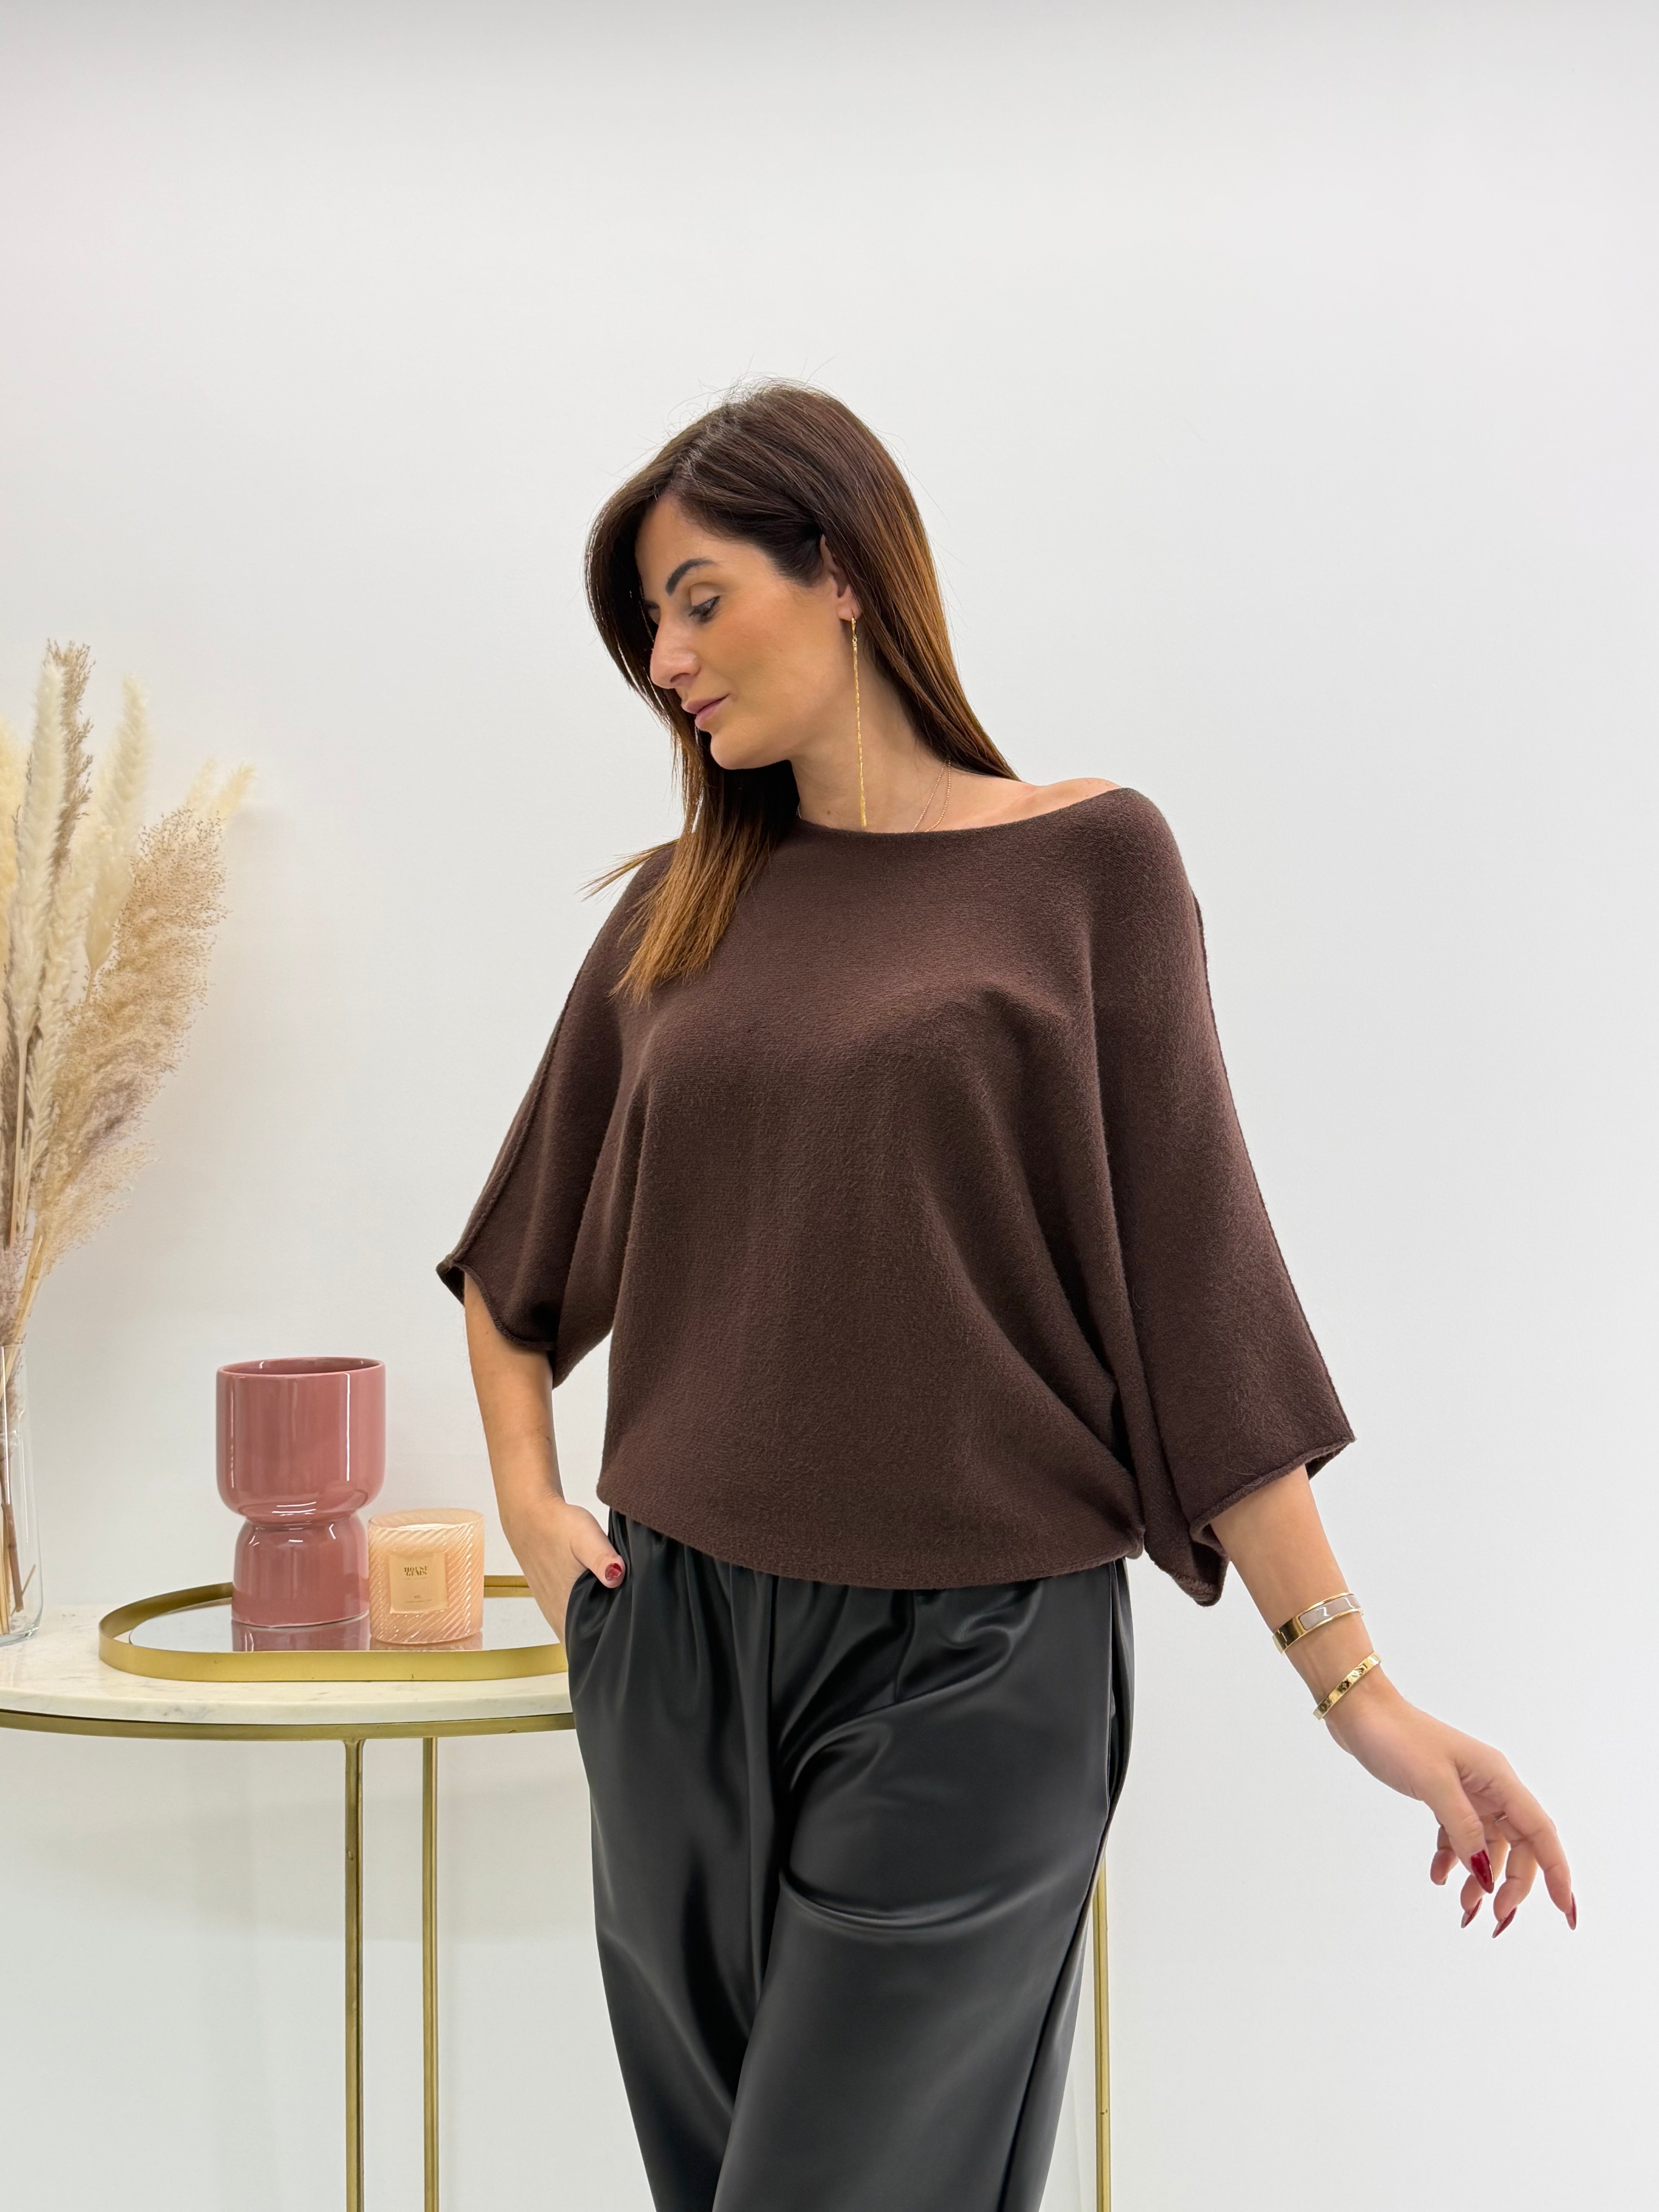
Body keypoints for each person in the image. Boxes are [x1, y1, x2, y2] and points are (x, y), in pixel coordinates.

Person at [436, 381, 1573, 2212]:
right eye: (648, 624)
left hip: (970, 1676)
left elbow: (1200, 1306)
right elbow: (516, 1271)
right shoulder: (677, 913)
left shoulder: (1089, 865)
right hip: (675, 1656)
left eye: (701, 600)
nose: (666, 662)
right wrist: (527, 1501)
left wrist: (1361, 1693)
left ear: (846, 573)